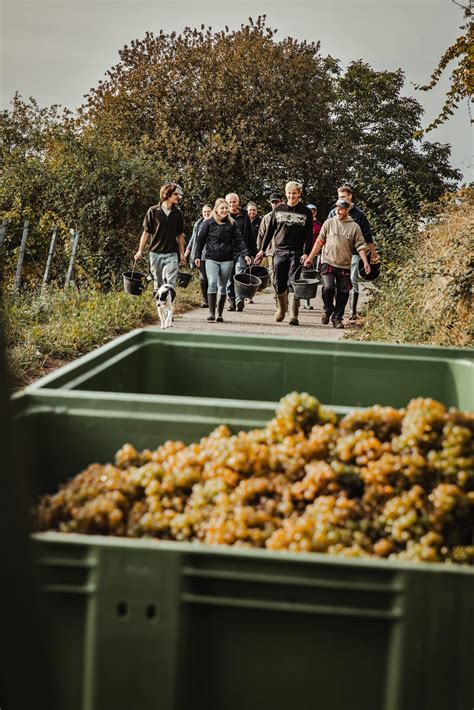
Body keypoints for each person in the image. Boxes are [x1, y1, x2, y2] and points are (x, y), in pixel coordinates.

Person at [303, 199, 370, 328]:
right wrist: (310, 257)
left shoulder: (354, 226)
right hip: (328, 261)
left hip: (344, 264)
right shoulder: (329, 223)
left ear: (347, 210)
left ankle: (337, 318)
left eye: (341, 209)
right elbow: (319, 241)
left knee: (343, 292)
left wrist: (365, 262)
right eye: (337, 208)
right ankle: (328, 309)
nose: (338, 211)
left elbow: (361, 245)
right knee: (328, 288)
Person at [255, 181, 312, 326]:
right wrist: (262, 250)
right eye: (289, 193)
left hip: (297, 251)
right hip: (279, 250)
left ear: (299, 194)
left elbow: (309, 235)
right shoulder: (278, 209)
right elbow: (269, 231)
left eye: (294, 193)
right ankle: (281, 308)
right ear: (286, 194)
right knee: (278, 282)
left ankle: (294, 314)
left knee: (294, 281)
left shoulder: (305, 212)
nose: (291, 196)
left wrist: (307, 253)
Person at [194, 198, 252, 323]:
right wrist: (197, 256)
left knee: (223, 286)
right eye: (222, 208)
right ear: (216, 210)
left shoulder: (232, 223)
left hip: (227, 259)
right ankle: (211, 313)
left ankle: (219, 314)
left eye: (226, 208)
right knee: (212, 283)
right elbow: (200, 240)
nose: (225, 210)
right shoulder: (208, 223)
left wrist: (246, 254)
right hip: (211, 258)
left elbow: (239, 240)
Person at [134, 183, 186, 315]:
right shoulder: (153, 211)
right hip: (155, 253)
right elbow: (146, 232)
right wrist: (140, 251)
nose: (178, 196)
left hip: (172, 254)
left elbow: (180, 235)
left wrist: (182, 253)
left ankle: (170, 312)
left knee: (170, 284)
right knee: (158, 283)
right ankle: (160, 310)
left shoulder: (178, 213)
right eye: (175, 194)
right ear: (167, 195)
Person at [328, 185, 378, 320]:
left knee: (352, 279)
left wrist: (373, 254)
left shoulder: (359, 215)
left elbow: (367, 235)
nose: (341, 200)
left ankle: (352, 311)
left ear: (350, 196)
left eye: (343, 197)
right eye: (339, 197)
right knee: (334, 282)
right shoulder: (333, 213)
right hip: (336, 253)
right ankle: (336, 309)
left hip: (354, 252)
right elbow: (326, 233)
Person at [225, 193, 256, 312]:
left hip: (242, 252)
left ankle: (239, 300)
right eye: (230, 202)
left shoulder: (244, 215)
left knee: (240, 274)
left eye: (234, 202)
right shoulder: (223, 215)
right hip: (227, 252)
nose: (232, 204)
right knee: (229, 277)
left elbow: (250, 235)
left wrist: (252, 252)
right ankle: (231, 300)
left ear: (238, 202)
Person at [184, 204, 212, 307]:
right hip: (200, 255)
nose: (206, 213)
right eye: (204, 212)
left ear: (212, 211)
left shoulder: (215, 223)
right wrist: (187, 252)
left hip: (212, 255)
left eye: (208, 211)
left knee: (211, 278)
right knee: (203, 278)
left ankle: (212, 300)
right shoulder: (198, 224)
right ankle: (205, 300)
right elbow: (193, 239)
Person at [256, 192, 284, 276]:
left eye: (277, 202)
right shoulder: (266, 218)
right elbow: (261, 235)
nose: (275, 204)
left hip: (283, 250)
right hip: (270, 252)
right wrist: (260, 250)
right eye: (273, 202)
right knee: (273, 274)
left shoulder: (287, 215)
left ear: (282, 201)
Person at [303, 203, 322, 310]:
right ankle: (295, 299)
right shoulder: (303, 223)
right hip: (304, 253)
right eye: (310, 210)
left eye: (314, 210)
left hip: (316, 254)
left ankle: (307, 301)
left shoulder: (319, 225)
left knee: (311, 278)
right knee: (302, 276)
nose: (312, 212)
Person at [246, 202, 261, 303]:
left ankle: (251, 295)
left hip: (256, 250)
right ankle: (244, 293)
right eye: (250, 210)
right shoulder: (244, 221)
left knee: (252, 273)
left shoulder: (260, 221)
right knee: (245, 272)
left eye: (254, 210)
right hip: (245, 249)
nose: (252, 212)